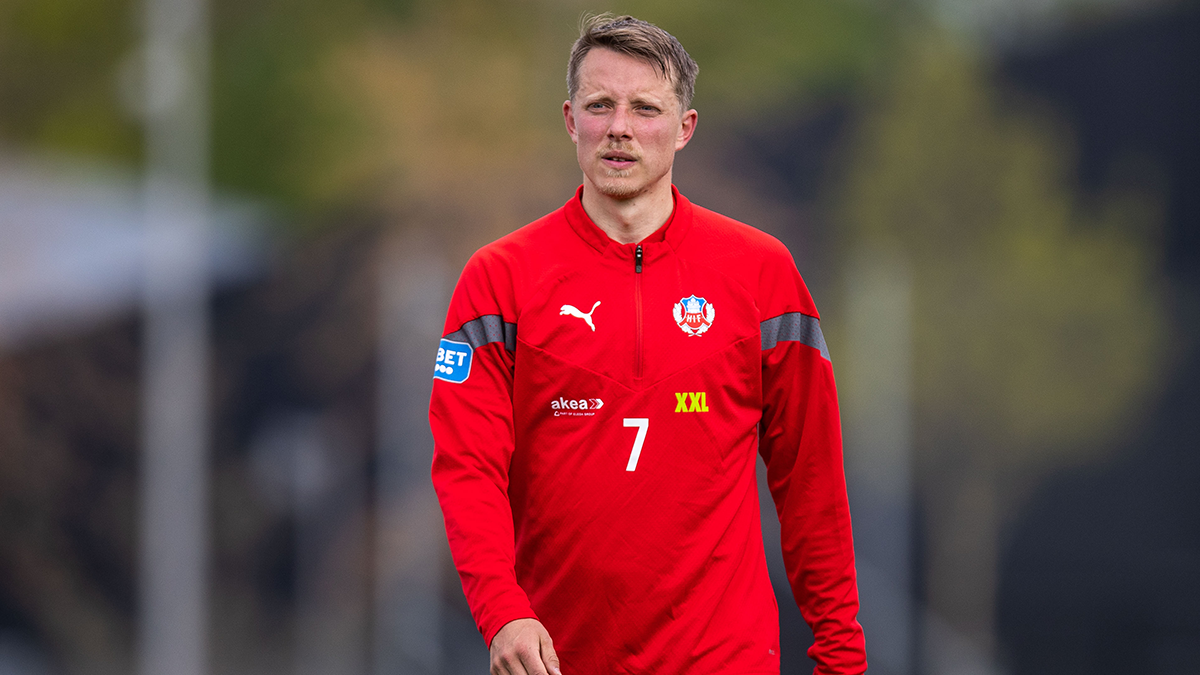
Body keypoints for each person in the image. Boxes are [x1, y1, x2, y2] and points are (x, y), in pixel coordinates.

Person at [429, 13, 866, 675]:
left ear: (684, 128)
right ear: (571, 120)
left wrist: (842, 656)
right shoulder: (498, 280)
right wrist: (503, 611)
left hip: (725, 660)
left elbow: (812, 483)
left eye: (645, 108)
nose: (620, 128)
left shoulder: (762, 273)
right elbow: (467, 469)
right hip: (558, 659)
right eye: (599, 105)